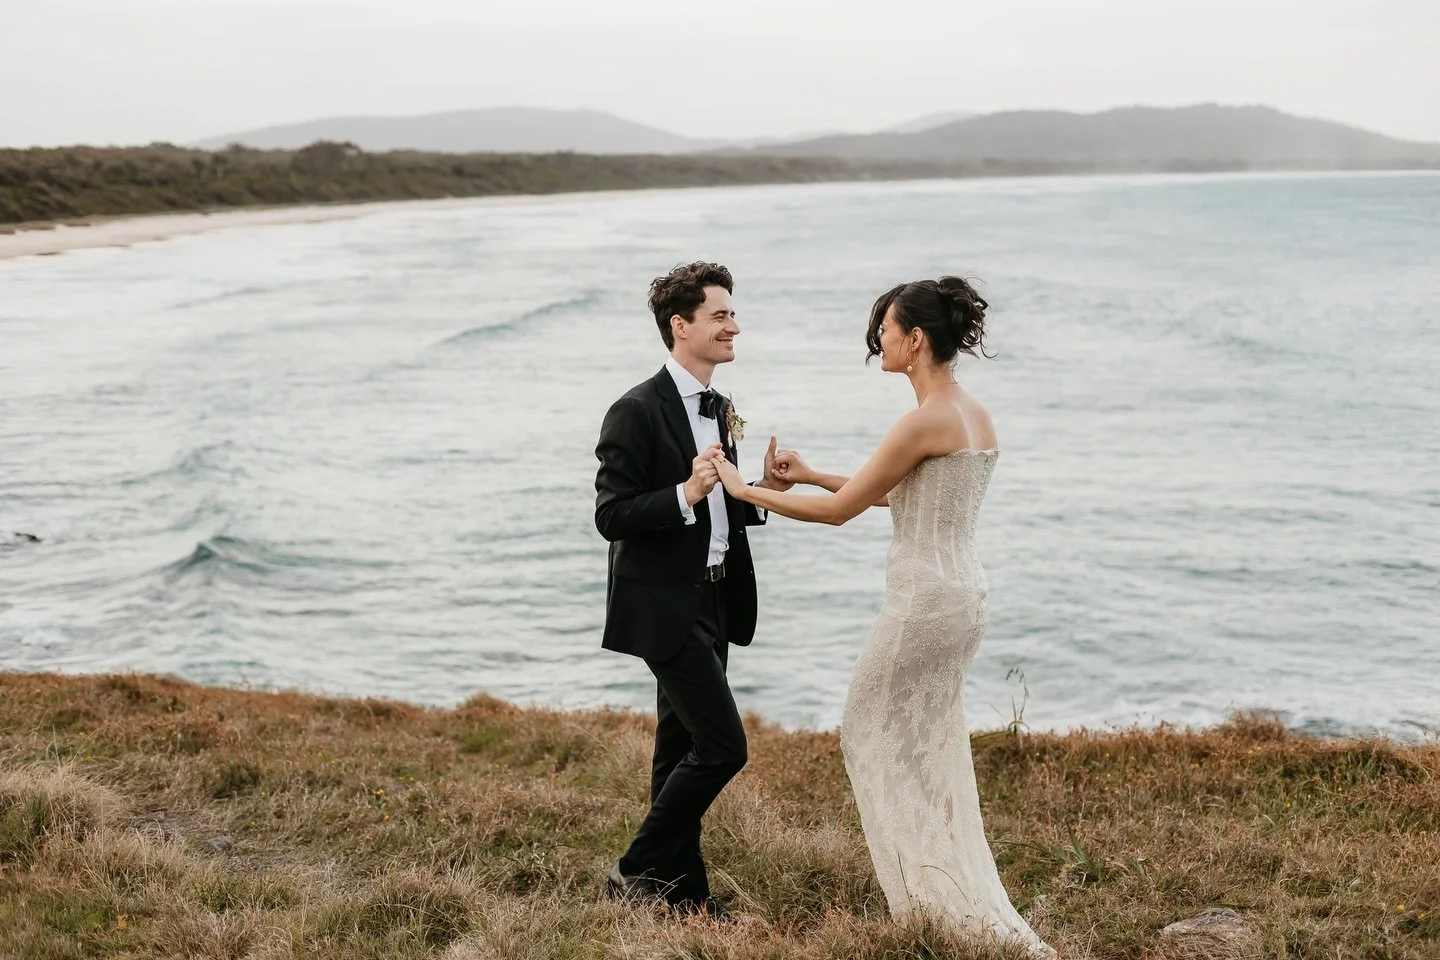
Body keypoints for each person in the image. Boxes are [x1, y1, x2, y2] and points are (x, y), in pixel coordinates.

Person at [711, 277, 1054, 955]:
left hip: (923, 603)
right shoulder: (969, 412)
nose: (881, 343)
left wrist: (743, 489)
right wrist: (807, 473)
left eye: (887, 332)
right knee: (931, 747)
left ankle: (931, 906)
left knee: (870, 732)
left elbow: (845, 512)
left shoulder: (924, 419)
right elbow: (896, 497)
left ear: (916, 339)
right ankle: (951, 898)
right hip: (961, 597)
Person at [594, 261, 792, 921]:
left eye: (732, 314)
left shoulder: (723, 407)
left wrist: (762, 491)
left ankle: (683, 898)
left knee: (679, 750)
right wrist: (684, 493)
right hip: (664, 603)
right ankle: (633, 870)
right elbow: (612, 516)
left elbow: (726, 507)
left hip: (715, 597)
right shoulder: (635, 409)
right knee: (723, 747)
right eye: (720, 315)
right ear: (680, 326)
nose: (734, 326)